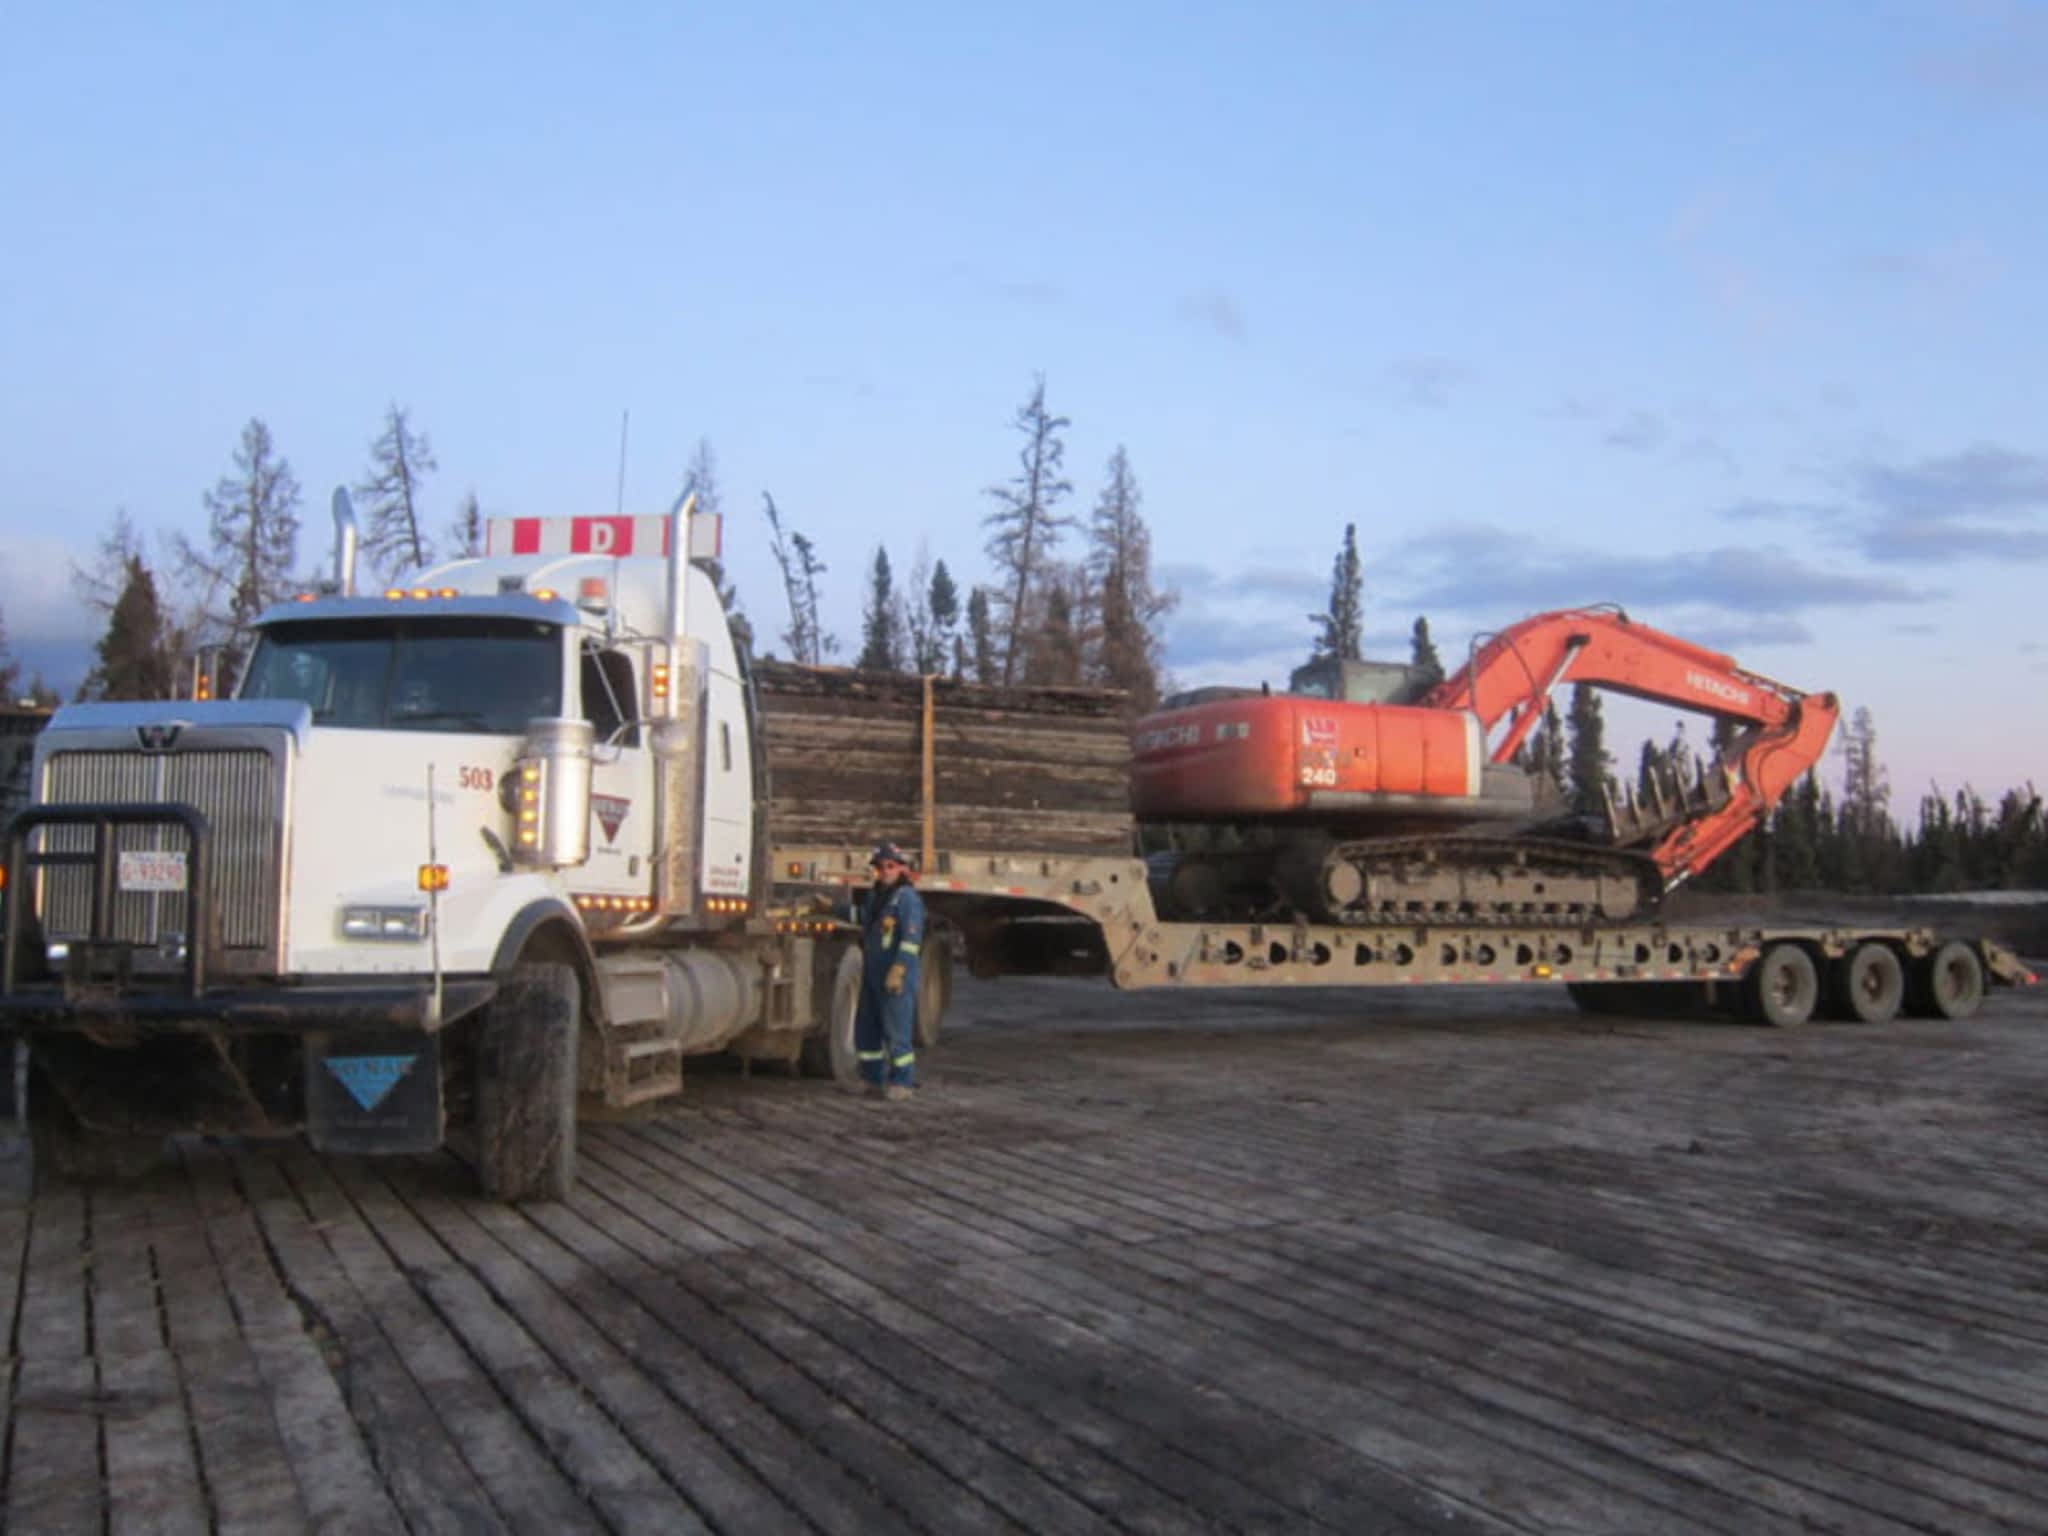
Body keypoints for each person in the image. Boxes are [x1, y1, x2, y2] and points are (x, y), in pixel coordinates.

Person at [855, 841, 925, 1101]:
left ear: (901, 868)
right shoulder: (877, 897)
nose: (884, 871)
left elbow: (911, 938)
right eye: (880, 867)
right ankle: (871, 1078)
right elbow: (864, 918)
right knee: (867, 1028)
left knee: (896, 1029)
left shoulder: (906, 899)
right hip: (872, 972)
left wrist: (898, 969)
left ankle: (902, 1082)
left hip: (895, 975)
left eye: (890, 866)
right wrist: (830, 908)